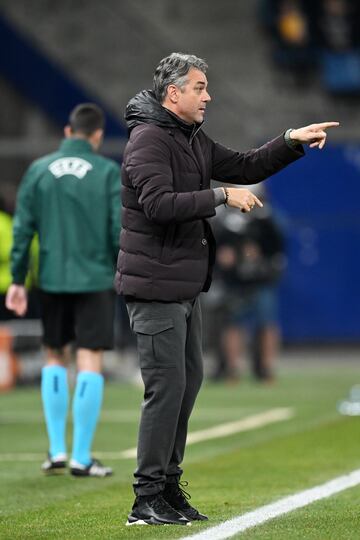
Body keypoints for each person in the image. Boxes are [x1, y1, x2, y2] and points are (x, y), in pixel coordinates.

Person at [115, 52, 338, 526]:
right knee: (166, 386)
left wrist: (290, 141)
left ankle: (168, 489)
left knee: (187, 383)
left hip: (183, 283)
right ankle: (146, 497)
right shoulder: (148, 140)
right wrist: (220, 195)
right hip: (155, 284)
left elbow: (242, 163)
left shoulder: (188, 137)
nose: (208, 95)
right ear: (173, 93)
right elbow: (157, 205)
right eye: (199, 87)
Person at [6, 103, 121, 477]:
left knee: (55, 356)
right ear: (98, 135)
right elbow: (118, 231)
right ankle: (81, 457)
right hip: (95, 279)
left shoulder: (38, 171)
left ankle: (56, 450)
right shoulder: (106, 172)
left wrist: (18, 280)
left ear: (68, 132)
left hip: (52, 279)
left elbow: (22, 230)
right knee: (89, 360)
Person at [214, 187, 285, 382]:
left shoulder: (266, 217)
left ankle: (266, 367)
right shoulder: (225, 217)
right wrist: (224, 254)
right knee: (233, 323)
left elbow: (278, 249)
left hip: (261, 279)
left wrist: (263, 258)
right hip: (235, 280)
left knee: (266, 322)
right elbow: (217, 246)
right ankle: (232, 369)